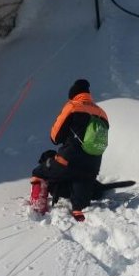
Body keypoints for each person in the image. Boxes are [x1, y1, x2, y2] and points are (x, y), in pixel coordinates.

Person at [30, 79, 109, 222]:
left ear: (73, 94)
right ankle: (78, 208)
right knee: (81, 202)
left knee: (39, 172)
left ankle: (38, 203)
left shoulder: (73, 106)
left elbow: (55, 137)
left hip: (68, 161)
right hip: (91, 168)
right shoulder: (102, 113)